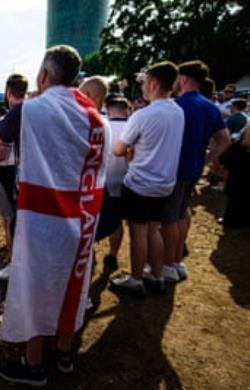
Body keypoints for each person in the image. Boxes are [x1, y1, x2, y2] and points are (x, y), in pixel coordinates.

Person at [0, 45, 107, 385]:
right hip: (82, 219)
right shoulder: (98, 119)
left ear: (43, 75)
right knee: (73, 285)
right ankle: (65, 354)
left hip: (42, 217)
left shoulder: (30, 110)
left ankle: (34, 364)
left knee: (35, 289)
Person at [108, 61, 185, 297]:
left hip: (140, 184)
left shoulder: (143, 115)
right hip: (165, 184)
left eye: (143, 82)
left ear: (152, 83)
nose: (141, 87)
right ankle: (157, 276)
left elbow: (119, 150)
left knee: (139, 233)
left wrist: (132, 150)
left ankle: (136, 279)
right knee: (154, 230)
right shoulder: (178, 111)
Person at [160, 61, 230, 282]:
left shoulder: (177, 105)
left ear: (182, 79)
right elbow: (224, 139)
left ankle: (168, 265)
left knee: (170, 220)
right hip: (193, 169)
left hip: (174, 169)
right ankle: (176, 261)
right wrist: (206, 160)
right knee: (182, 214)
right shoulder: (210, 107)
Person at [0, 73, 29, 281]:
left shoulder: (14, 115)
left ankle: (15, 263)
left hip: (10, 173)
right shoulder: (37, 111)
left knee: (10, 218)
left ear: (8, 92)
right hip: (30, 174)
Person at [96, 97, 131, 269]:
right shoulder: (133, 126)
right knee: (119, 223)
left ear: (108, 110)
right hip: (127, 182)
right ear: (127, 110)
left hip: (103, 182)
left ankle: (92, 252)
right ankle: (113, 255)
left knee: (98, 220)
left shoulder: (102, 125)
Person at [219, 124, 250, 228]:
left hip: (239, 179)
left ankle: (231, 220)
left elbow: (225, 159)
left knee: (235, 200)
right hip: (239, 178)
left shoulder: (240, 147)